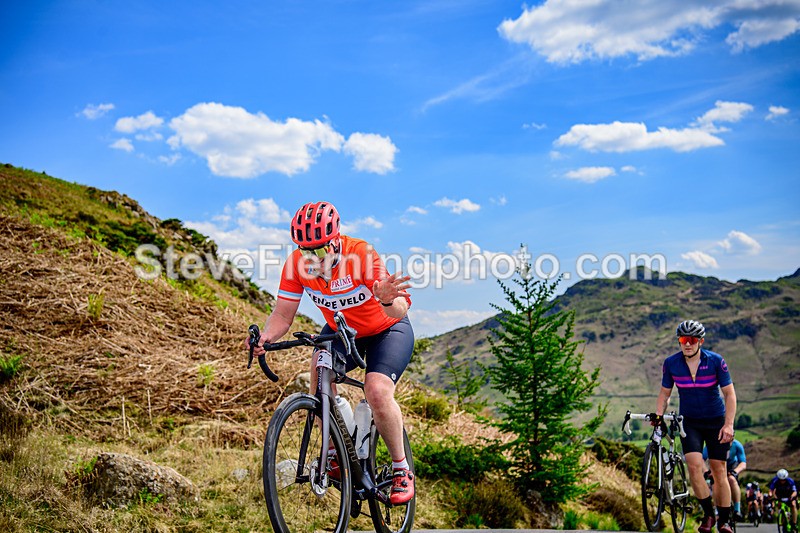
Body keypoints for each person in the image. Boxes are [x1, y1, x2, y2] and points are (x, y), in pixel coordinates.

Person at [248, 201, 416, 505]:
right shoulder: (296, 266)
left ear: (337, 241)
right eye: (307, 251)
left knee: (376, 391)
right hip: (342, 331)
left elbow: (401, 306)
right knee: (320, 367)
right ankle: (337, 446)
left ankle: (401, 468)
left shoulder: (361, 254)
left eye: (322, 251)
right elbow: (283, 316)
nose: (315, 259)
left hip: (387, 330)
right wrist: (266, 336)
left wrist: (386, 299)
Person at [655, 320, 737, 533]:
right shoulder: (671, 363)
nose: (687, 344)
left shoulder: (716, 361)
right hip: (689, 422)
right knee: (694, 467)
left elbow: (729, 394)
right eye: (683, 340)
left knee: (720, 471)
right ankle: (708, 515)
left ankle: (725, 521)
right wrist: (658, 415)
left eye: (692, 340)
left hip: (716, 421)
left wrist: (728, 425)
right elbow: (665, 394)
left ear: (700, 341)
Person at [702, 438, 747, 520]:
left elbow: (743, 463)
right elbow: (702, 459)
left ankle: (737, 510)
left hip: (731, 466)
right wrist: (706, 471)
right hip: (717, 465)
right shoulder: (712, 443)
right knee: (715, 483)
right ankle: (716, 509)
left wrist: (735, 472)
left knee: (732, 480)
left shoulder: (737, 445)